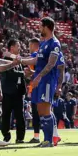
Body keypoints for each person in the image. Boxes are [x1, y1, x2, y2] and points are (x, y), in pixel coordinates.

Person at [18, 17, 62, 148]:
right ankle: (48, 138)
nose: (39, 28)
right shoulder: (43, 43)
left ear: (47, 27)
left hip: (47, 80)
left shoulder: (55, 43)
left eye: (40, 26)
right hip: (39, 80)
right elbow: (37, 60)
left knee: (45, 108)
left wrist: (38, 77)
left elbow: (51, 64)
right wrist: (21, 61)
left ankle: (48, 140)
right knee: (39, 109)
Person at [0, 39, 28, 143]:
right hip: (8, 92)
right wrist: (23, 73)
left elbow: (19, 75)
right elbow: (11, 73)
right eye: (18, 46)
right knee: (6, 115)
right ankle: (6, 136)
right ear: (12, 47)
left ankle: (20, 138)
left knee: (20, 116)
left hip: (18, 93)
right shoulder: (7, 59)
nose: (19, 48)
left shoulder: (17, 60)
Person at [25, 38, 41, 144]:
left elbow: (25, 60)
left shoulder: (36, 54)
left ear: (34, 45)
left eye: (29, 45)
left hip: (39, 87)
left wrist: (11, 56)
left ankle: (39, 136)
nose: (28, 48)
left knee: (39, 112)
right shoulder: (40, 55)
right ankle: (37, 136)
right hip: (36, 87)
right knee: (38, 112)